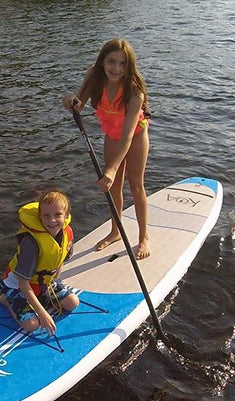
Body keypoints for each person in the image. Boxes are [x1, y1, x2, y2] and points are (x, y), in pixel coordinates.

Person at [63, 38, 151, 260]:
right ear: (102, 61)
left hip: (136, 137)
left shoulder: (134, 90)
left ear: (129, 66)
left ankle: (143, 237)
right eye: (111, 61)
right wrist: (71, 101)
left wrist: (111, 169)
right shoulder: (94, 77)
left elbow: (128, 136)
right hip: (112, 136)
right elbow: (79, 104)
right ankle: (115, 231)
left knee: (136, 186)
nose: (116, 68)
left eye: (123, 64)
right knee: (114, 188)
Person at [0, 190, 79, 336]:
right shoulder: (31, 244)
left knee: (73, 303)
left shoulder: (67, 233)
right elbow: (23, 283)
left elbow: (59, 262)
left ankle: (38, 297)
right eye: (46, 215)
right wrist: (43, 314)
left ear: (65, 215)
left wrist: (50, 284)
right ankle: (7, 299)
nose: (52, 221)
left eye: (58, 215)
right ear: (40, 217)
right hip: (18, 285)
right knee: (32, 325)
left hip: (42, 283)